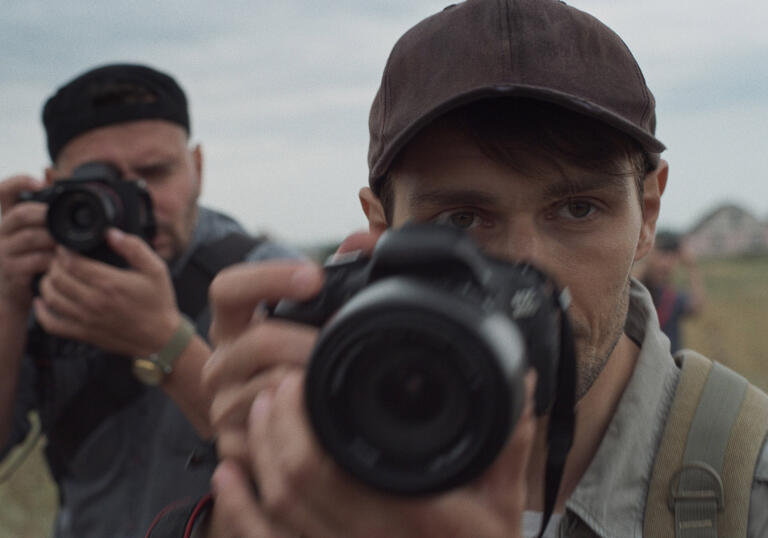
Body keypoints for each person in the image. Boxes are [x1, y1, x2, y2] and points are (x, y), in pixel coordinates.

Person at [168, 1, 768, 536]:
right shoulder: (316, 460)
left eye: (578, 209)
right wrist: (248, 492)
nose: (528, 265)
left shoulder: (747, 477)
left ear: (648, 215)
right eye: (461, 220)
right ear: (381, 229)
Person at [0, 63, 300, 538]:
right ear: (54, 185)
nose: (138, 199)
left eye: (156, 172)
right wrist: (8, 302)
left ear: (197, 168)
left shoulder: (265, 277)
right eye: (104, 182)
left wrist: (165, 342)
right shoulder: (41, 282)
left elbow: (303, 466)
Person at [637, 230, 706, 352]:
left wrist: (692, 267)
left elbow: (696, 307)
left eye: (672, 257)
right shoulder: (638, 289)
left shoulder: (672, 296)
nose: (666, 264)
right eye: (661, 255)